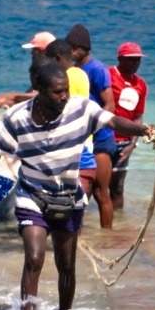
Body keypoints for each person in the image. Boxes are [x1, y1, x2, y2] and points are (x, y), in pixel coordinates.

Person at [0, 62, 155, 310]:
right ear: (39, 90)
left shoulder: (81, 109)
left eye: (66, 91)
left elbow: (113, 121)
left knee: (66, 266)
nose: (64, 97)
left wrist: (142, 129)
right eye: (57, 92)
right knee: (35, 258)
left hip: (68, 198)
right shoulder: (17, 117)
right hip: (32, 196)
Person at [66, 23, 117, 228]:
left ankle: (107, 236)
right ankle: (77, 235)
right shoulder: (75, 70)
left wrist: (92, 127)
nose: (69, 53)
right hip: (83, 139)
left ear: (80, 48)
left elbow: (110, 104)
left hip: (101, 138)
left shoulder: (97, 69)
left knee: (100, 193)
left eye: (71, 49)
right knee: (80, 191)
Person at [44, 39, 97, 197]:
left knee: (66, 198)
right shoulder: (80, 73)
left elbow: (64, 108)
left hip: (72, 142)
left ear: (58, 58)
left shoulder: (66, 77)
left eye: (50, 60)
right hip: (85, 138)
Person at [109, 42, 149, 213]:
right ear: (120, 59)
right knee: (96, 186)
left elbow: (138, 116)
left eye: (138, 60)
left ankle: (118, 229)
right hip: (105, 139)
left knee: (117, 187)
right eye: (131, 60)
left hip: (124, 143)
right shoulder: (108, 75)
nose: (135, 64)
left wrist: (132, 144)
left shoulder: (140, 84)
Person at [0, 31, 56, 111]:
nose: (31, 52)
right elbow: (28, 97)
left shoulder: (53, 73)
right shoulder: (41, 72)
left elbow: (42, 95)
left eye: (34, 49)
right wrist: (5, 101)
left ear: (41, 51)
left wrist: (7, 97)